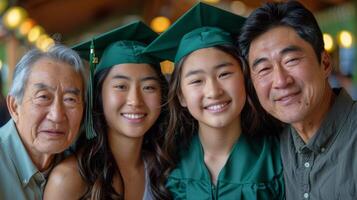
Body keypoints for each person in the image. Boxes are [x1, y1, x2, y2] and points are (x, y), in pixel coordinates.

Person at [144, 2, 284, 199]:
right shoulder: (168, 164)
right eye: (197, 80)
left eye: (224, 74)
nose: (213, 91)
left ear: (245, 79)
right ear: (181, 96)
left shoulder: (278, 158)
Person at [239, 1, 357, 199]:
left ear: (325, 63)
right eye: (264, 69)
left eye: (291, 60)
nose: (280, 81)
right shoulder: (274, 147)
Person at [44, 21, 170, 200]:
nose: (135, 101)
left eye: (148, 87)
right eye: (121, 86)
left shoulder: (164, 171)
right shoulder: (68, 180)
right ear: (98, 94)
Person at [0, 45, 85, 200]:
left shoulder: (81, 166)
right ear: (14, 107)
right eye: (43, 97)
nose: (57, 116)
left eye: (70, 99)